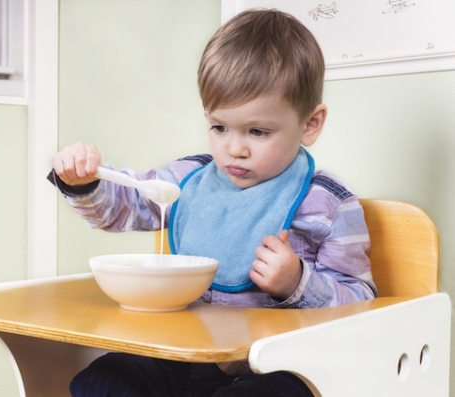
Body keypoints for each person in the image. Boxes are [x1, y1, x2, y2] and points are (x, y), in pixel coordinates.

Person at [49, 9, 377, 397]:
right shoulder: (188, 180)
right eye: (219, 127)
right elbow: (126, 204)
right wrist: (85, 182)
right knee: (100, 380)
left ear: (310, 124)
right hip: (183, 356)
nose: (234, 149)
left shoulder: (328, 204)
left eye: (258, 131)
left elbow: (361, 306)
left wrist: (297, 283)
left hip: (273, 365)